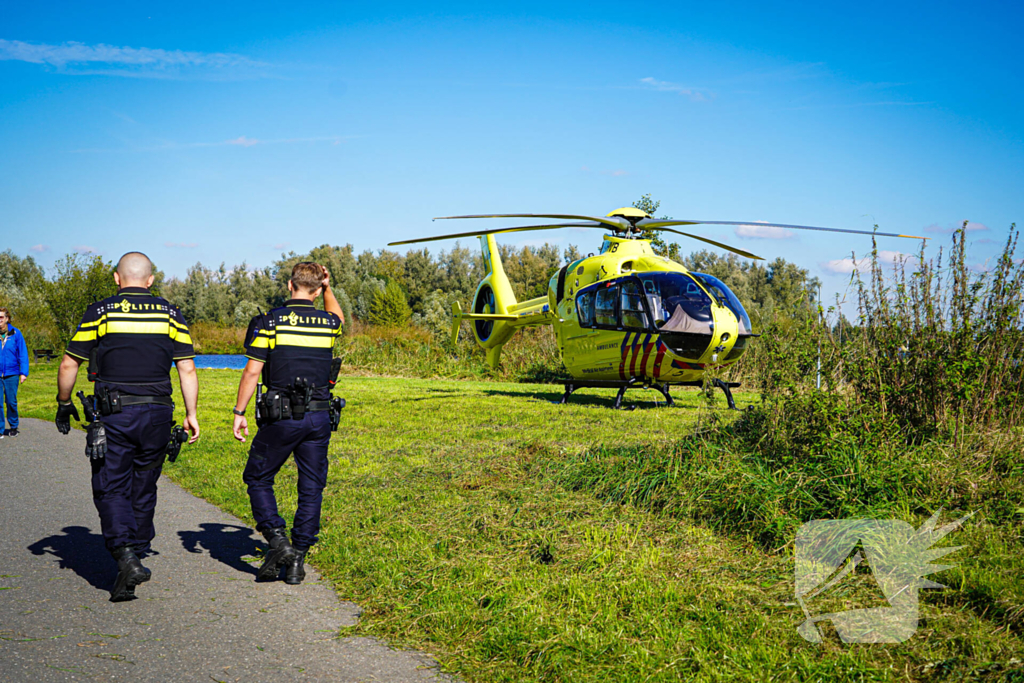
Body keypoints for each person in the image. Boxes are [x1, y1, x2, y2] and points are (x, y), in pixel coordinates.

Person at [54, 252, 200, 602]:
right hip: (158, 415)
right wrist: (191, 413)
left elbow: (69, 363)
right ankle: (137, 545)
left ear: (117, 278)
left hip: (115, 415)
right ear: (150, 280)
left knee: (111, 485)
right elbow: (188, 368)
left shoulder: (101, 312)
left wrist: (63, 402)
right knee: (144, 481)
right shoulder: (171, 314)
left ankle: (125, 554)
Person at [232, 261, 344, 585]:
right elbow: (338, 317)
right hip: (319, 417)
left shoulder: (271, 322)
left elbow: (253, 371)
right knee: (311, 488)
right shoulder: (327, 324)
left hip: (280, 418)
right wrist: (329, 286)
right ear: (319, 288)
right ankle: (298, 560)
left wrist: (239, 413)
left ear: (289, 285)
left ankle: (278, 541)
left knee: (258, 476)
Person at [0, 307, 29, 438]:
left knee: (11, 401)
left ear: (7, 318)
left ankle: (13, 426)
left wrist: (23, 372)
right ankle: (0, 429)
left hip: (12, 373)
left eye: (1, 317)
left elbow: (23, 354)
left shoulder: (15, 333)